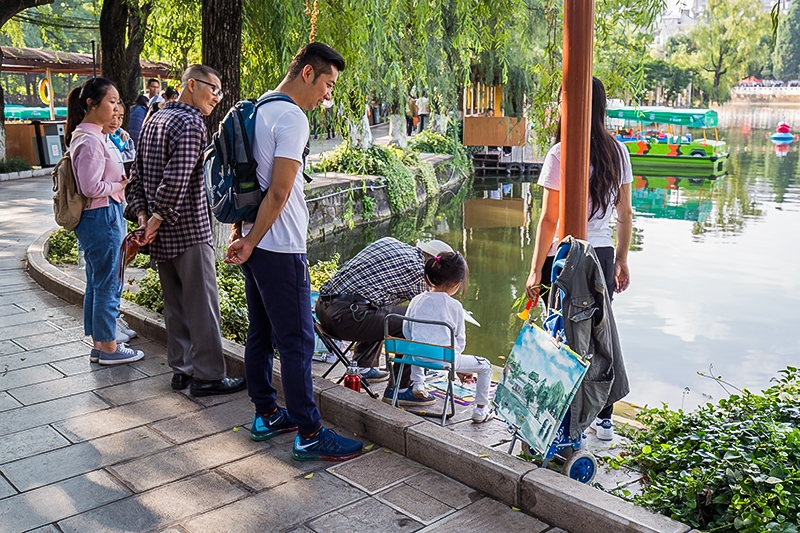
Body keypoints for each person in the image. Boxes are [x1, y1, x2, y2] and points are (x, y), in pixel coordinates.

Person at [224, 43, 362, 462]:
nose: (328, 95)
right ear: (307, 73)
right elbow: (280, 190)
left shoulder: (259, 108)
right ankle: (310, 432)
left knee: (261, 333)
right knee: (299, 342)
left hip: (256, 242)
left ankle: (266, 413)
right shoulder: (292, 117)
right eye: (328, 84)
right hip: (278, 246)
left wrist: (246, 235)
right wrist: (252, 240)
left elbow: (248, 178)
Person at [125, 65, 245, 397]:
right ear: (191, 85)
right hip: (188, 228)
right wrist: (157, 218)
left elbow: (136, 176)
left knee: (175, 304)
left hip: (158, 233)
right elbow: (176, 181)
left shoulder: (153, 119)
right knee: (203, 305)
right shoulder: (192, 123)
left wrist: (143, 219)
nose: (217, 98)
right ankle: (208, 376)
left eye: (221, 92)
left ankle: (182, 370)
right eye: (214, 89)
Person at [525, 76, 633, 441]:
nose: (558, 107)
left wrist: (534, 268)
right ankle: (604, 419)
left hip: (565, 257)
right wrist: (621, 260)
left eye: (561, 101)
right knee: (600, 335)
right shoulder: (619, 151)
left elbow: (549, 219)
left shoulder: (560, 153)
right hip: (601, 256)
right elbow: (626, 213)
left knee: (565, 337)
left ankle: (571, 423)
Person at [315, 237, 453, 406]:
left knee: (381, 307)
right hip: (346, 320)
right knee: (417, 319)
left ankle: (363, 367)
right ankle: (400, 389)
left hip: (324, 308)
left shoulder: (390, 242)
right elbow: (431, 309)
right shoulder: (418, 272)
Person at [66, 77, 145, 366]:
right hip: (102, 215)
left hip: (102, 215)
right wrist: (121, 185)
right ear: (91, 104)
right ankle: (109, 346)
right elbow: (90, 187)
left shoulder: (96, 136)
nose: (115, 108)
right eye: (110, 102)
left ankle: (101, 342)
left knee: (99, 282)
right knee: (109, 283)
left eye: (116, 102)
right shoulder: (88, 140)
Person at [404, 251, 492, 423]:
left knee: (415, 344)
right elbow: (459, 341)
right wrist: (456, 364)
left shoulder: (416, 300)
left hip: (415, 357)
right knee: (486, 366)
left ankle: (418, 383)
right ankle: (481, 410)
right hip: (445, 359)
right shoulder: (455, 306)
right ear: (457, 283)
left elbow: (407, 331)